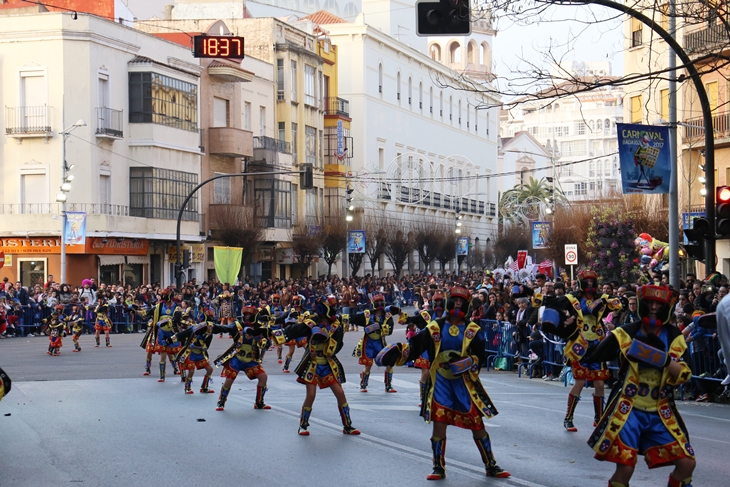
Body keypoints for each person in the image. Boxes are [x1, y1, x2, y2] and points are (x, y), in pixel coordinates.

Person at [376, 285, 510, 480]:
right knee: (439, 423)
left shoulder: (473, 330)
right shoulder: (435, 327)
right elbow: (415, 348)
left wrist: (468, 362)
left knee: (477, 423)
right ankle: (438, 466)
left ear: (466, 305)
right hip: (440, 381)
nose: (457, 304)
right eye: (454, 300)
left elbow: (480, 356)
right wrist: (397, 353)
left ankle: (491, 465)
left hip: (464, 383)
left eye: (461, 302)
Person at [581, 285, 696, 487]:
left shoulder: (674, 337)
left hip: (660, 410)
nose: (653, 307)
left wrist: (664, 361)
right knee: (626, 466)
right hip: (628, 410)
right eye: (649, 303)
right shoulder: (624, 333)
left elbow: (685, 375)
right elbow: (593, 354)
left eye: (658, 304)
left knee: (687, 463)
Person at [279, 295, 360, 436]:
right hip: (312, 362)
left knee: (340, 393)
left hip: (328, 363)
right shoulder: (311, 322)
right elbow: (295, 330)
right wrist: (275, 333)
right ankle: (303, 425)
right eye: (331, 307)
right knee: (311, 394)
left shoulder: (336, 324)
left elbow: (339, 343)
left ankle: (348, 425)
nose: (333, 310)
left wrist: (330, 346)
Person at [558, 270, 621, 432]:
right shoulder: (573, 299)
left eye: (593, 281)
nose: (590, 285)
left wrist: (616, 303)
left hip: (597, 345)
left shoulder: (602, 299)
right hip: (579, 345)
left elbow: (617, 305)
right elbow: (557, 306)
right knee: (579, 381)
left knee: (599, 383)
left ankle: (599, 418)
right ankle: (568, 418)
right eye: (587, 282)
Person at [213, 306, 272, 411]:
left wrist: (262, 340)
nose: (248, 317)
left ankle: (259, 402)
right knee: (229, 380)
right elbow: (225, 328)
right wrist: (213, 327)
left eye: (250, 315)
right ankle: (221, 401)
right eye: (246, 315)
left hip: (251, 359)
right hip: (237, 358)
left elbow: (265, 344)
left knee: (263, 377)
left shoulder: (259, 327)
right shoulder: (237, 325)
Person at [351, 294, 399, 393]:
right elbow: (355, 318)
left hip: (380, 343)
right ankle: (363, 384)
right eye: (378, 302)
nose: (380, 304)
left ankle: (388, 385)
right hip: (368, 343)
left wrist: (379, 327)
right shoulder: (367, 314)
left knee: (389, 363)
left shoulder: (387, 316)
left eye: (382, 302)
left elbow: (389, 330)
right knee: (368, 365)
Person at [169, 310, 224, 394]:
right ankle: (187, 387)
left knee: (210, 369)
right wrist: (169, 340)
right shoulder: (193, 328)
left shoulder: (209, 334)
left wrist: (201, 346)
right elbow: (181, 335)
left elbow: (207, 346)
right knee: (191, 371)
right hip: (190, 353)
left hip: (200, 353)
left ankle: (204, 387)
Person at [141, 288, 182, 381]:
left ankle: (177, 369)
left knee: (173, 352)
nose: (162, 296)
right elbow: (148, 313)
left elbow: (177, 317)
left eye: (164, 295)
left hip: (172, 331)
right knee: (151, 350)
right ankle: (152, 370)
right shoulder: (158, 306)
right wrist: (137, 310)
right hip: (159, 331)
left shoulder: (176, 307)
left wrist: (170, 321)